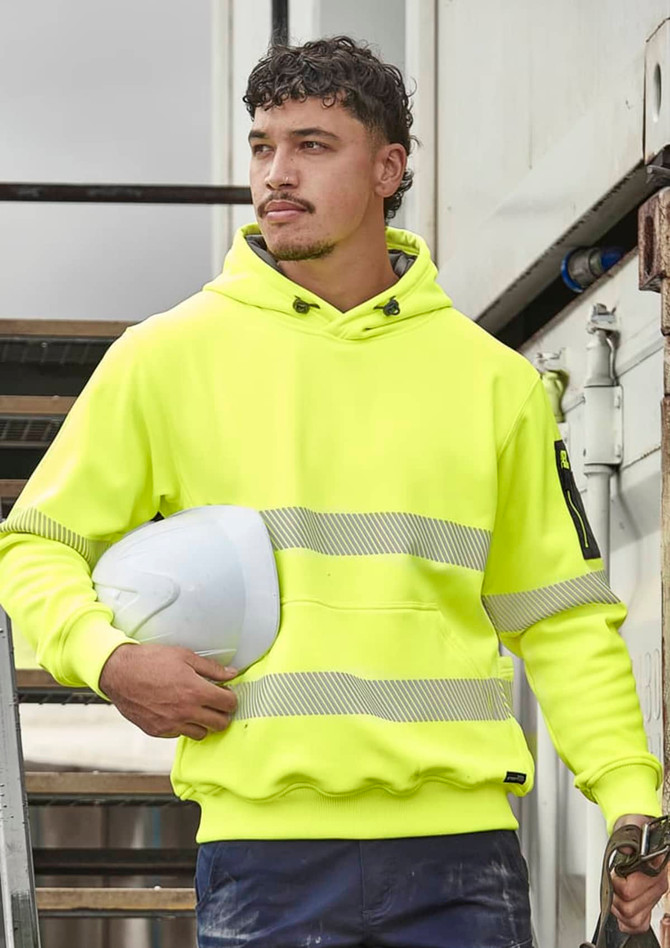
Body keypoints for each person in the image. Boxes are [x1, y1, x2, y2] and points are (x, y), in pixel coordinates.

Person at [0, 35, 665, 948]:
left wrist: (631, 796)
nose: (277, 173)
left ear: (389, 168)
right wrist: (107, 659)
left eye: (313, 145)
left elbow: (559, 616)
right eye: (263, 145)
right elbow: (35, 544)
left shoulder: (490, 382)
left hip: (460, 856)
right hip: (264, 857)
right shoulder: (165, 359)